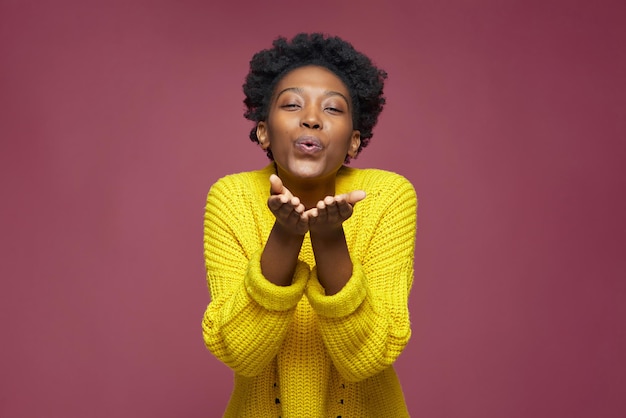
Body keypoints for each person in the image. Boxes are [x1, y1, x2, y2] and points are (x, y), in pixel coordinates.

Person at [202, 33, 418, 417]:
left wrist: (329, 240)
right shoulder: (231, 197)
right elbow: (239, 351)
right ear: (264, 130)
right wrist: (285, 236)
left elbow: (370, 357)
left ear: (354, 141)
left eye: (333, 109)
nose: (312, 118)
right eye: (292, 104)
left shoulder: (387, 194)